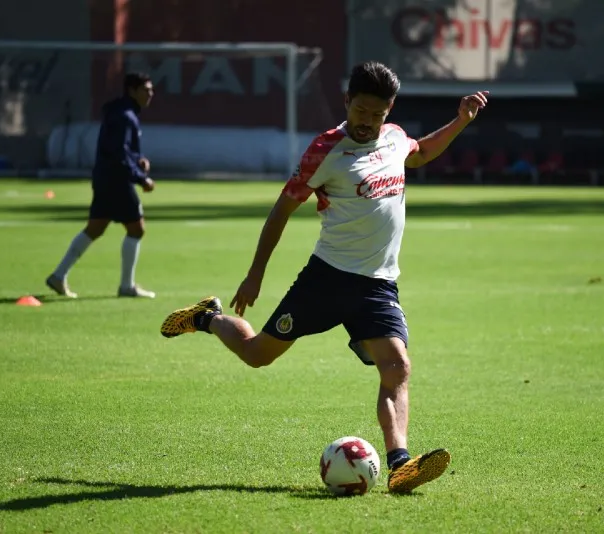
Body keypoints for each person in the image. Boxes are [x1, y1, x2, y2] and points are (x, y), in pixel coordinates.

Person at [160, 61, 488, 493]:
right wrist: (255, 274)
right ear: (347, 101)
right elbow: (282, 209)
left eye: (377, 113)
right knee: (258, 355)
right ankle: (207, 317)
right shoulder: (325, 151)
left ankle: (400, 465)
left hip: (377, 285)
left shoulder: (393, 137)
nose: (368, 121)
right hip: (326, 280)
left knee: (397, 366)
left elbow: (422, 153)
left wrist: (461, 121)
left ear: (389, 110)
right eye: (361, 110)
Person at [46, 72, 156, 298]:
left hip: (105, 178)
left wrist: (138, 159)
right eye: (146, 90)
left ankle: (58, 275)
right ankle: (126, 286)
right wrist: (141, 178)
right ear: (132, 90)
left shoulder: (121, 112)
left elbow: (122, 149)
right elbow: (118, 154)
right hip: (117, 181)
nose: (150, 94)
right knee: (136, 229)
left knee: (95, 228)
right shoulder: (125, 116)